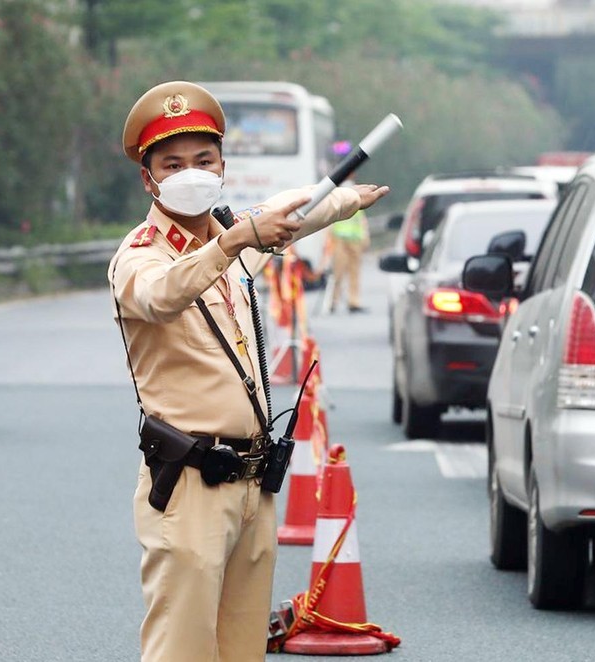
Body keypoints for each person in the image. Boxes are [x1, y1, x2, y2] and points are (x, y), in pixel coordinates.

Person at [107, 81, 389, 662]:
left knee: (242, 650)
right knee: (182, 649)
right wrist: (233, 242)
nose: (192, 172)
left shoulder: (232, 237)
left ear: (222, 165)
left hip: (253, 484)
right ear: (149, 178)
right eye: (174, 163)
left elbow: (294, 210)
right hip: (188, 485)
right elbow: (162, 296)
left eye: (203, 160)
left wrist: (346, 200)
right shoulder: (141, 255)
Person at [328, 189, 370, 313]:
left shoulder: (358, 205)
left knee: (354, 272)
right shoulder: (337, 205)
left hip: (355, 240)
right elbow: (329, 224)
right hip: (340, 240)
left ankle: (353, 301)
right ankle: (333, 300)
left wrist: (365, 239)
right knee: (338, 272)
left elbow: (362, 223)